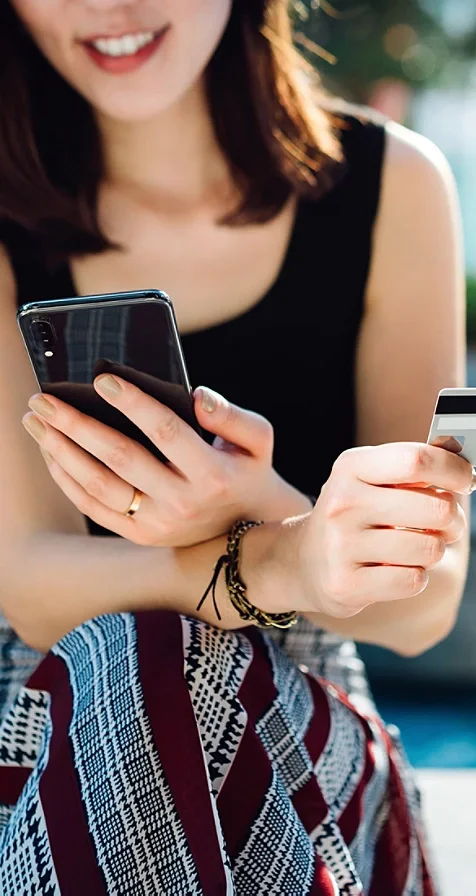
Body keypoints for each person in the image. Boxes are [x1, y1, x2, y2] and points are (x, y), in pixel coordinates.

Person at [0, 0, 471, 893]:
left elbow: (428, 603)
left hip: (301, 729)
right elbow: (30, 586)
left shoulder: (392, 185)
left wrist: (258, 505)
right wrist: (282, 559)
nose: (108, 7)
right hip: (43, 714)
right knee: (131, 663)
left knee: (160, 669)